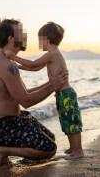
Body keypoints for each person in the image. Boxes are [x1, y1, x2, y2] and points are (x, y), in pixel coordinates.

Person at [0, 19, 68, 168]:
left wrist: (53, 83)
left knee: (50, 138)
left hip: (13, 120)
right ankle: (1, 150)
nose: (26, 37)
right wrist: (53, 86)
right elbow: (26, 101)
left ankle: (3, 153)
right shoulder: (5, 65)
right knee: (49, 148)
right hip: (2, 127)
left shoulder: (7, 61)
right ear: (10, 39)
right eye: (21, 33)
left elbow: (25, 92)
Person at [5, 22, 84, 159]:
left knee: (72, 122)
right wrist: (19, 67)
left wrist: (13, 56)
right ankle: (73, 148)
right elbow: (35, 68)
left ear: (46, 39)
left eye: (40, 40)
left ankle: (78, 151)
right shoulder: (51, 54)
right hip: (62, 94)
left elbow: (34, 63)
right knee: (66, 121)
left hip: (66, 94)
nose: (39, 43)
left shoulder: (52, 53)